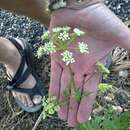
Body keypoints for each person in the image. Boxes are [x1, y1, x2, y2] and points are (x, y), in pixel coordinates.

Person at [0, 0, 130, 127]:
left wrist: (74, 5)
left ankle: (57, 19)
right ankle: (10, 55)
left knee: (57, 13)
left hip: (70, 25)